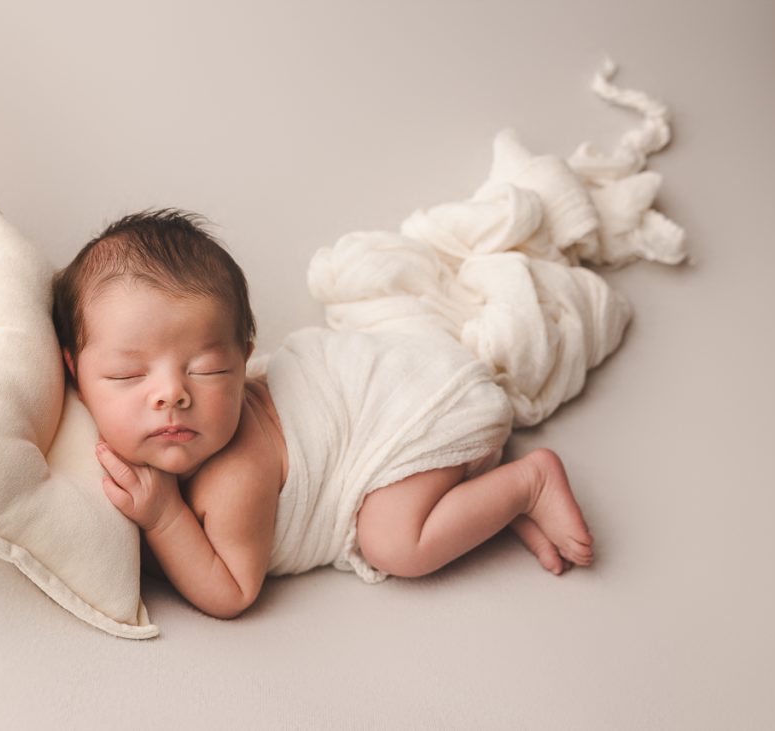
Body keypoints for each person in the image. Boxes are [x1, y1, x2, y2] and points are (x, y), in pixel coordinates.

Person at [51, 209, 594, 620]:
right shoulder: (80, 404)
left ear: (244, 359)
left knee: (395, 542)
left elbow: (233, 592)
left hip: (416, 414)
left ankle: (528, 484)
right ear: (74, 371)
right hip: (385, 383)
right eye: (127, 376)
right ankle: (487, 501)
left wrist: (165, 515)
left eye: (209, 369)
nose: (171, 394)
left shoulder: (233, 475)